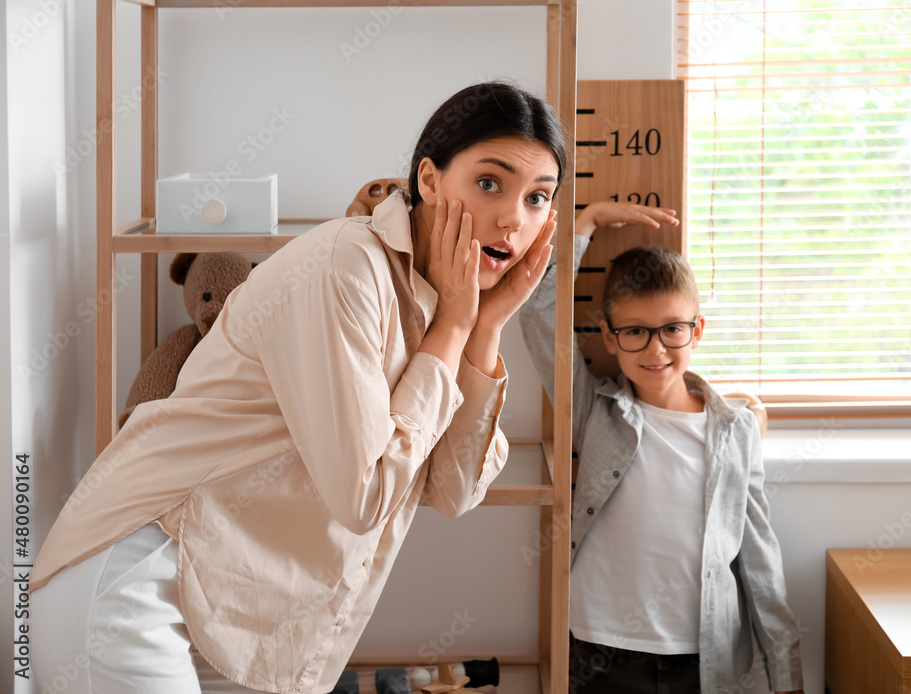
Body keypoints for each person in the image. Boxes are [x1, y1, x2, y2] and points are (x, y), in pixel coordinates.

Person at [28, 81, 566, 694]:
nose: (512, 219)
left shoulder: (448, 304)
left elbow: (454, 490)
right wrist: (455, 325)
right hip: (136, 578)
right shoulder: (347, 265)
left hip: (220, 610)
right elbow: (364, 498)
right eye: (490, 183)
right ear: (430, 180)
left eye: (538, 198)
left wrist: (484, 326)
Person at [519, 201, 805, 693]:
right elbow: (539, 314)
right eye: (634, 332)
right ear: (608, 337)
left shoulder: (734, 432)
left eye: (672, 329)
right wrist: (582, 224)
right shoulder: (595, 414)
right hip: (598, 650)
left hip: (702, 656)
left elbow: (759, 561)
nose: (656, 350)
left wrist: (788, 677)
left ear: (697, 331)